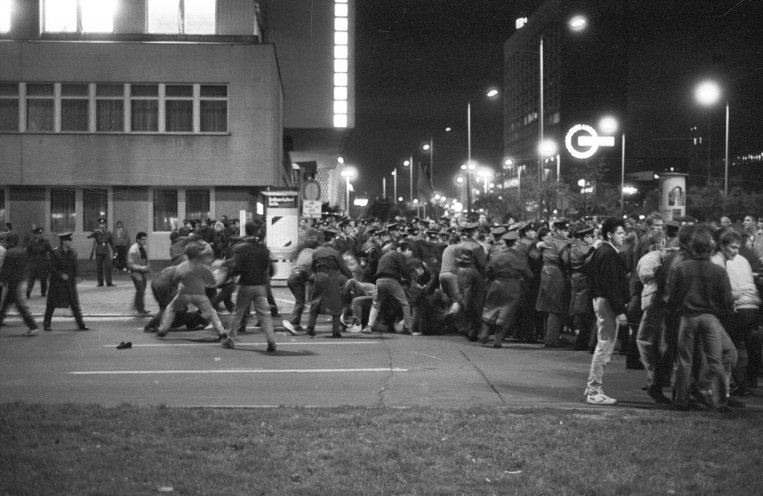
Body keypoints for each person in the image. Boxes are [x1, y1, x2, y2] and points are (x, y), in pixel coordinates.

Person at [668, 226, 735, 411]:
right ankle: (721, 402)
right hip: (710, 317)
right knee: (715, 361)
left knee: (684, 360)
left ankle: (681, 400)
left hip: (688, 317)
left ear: (692, 246)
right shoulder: (718, 272)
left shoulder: (682, 268)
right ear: (710, 248)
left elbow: (673, 295)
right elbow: (727, 300)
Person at [585, 218, 629, 405]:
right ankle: (594, 390)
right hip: (607, 303)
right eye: (620, 233)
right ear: (610, 234)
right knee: (605, 346)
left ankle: (593, 387)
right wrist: (620, 310)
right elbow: (611, 284)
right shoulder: (608, 253)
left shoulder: (600, 250)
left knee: (604, 345)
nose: (623, 236)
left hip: (601, 301)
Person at [711, 229, 761, 396]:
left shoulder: (724, 261)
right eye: (733, 247)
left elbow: (724, 291)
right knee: (738, 348)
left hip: (737, 308)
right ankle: (739, 384)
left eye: (737, 247)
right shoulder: (733, 260)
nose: (736, 251)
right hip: (748, 306)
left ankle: (730, 387)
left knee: (731, 350)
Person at [222, 222, 277, 351]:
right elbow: (272, 270)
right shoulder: (264, 249)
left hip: (246, 284)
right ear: (257, 231)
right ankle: (271, 341)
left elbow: (236, 267)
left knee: (238, 312)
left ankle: (230, 339)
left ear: (246, 231)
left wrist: (230, 275)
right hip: (260, 285)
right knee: (264, 314)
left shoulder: (241, 248)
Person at [156, 242, 226, 339]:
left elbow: (176, 280)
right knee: (211, 312)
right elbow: (212, 281)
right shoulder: (203, 267)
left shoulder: (181, 267)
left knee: (171, 308)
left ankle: (163, 329)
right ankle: (221, 332)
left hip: (183, 294)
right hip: (200, 295)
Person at [478, 231, 533, 347]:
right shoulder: (519, 256)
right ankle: (498, 339)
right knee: (507, 311)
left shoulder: (496, 255)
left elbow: (488, 270)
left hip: (496, 284)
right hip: (513, 285)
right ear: (515, 242)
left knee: (490, 307)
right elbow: (528, 274)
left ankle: (484, 333)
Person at [363, 240, 417, 335]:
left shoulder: (385, 256)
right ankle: (408, 328)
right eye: (409, 250)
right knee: (405, 303)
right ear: (401, 249)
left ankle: (369, 326)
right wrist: (409, 281)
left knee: (376, 303)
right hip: (390, 281)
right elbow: (404, 270)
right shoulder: (398, 255)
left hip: (379, 281)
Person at [307, 229, 353, 337]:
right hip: (331, 279)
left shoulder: (316, 252)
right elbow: (344, 269)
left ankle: (310, 327)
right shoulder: (336, 254)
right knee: (336, 304)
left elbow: (312, 267)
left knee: (315, 303)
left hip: (318, 277)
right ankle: (335, 331)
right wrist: (352, 278)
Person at [43, 233, 88, 331]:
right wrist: (60, 274)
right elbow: (51, 267)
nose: (69, 242)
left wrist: (76, 276)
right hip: (57, 283)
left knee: (74, 303)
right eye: (68, 240)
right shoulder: (55, 253)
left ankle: (81, 324)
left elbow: (74, 266)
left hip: (69, 282)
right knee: (51, 304)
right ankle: (46, 324)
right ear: (63, 241)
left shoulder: (72, 252)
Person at [0, 231, 40, 335]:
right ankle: (33, 327)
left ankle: (33, 326)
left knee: (18, 305)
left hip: (11, 281)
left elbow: (5, 270)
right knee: (6, 304)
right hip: (19, 280)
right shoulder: (22, 251)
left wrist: (2, 279)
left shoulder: (10, 253)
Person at [127, 232, 151, 317]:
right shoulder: (133, 250)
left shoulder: (144, 248)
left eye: (145, 239)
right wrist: (142, 268)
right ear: (138, 240)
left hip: (142, 272)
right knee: (140, 290)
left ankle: (140, 308)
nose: (144, 241)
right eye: (143, 239)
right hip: (136, 273)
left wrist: (147, 267)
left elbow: (146, 259)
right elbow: (130, 264)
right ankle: (138, 309)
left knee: (141, 291)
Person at [26, 226, 52, 298]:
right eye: (38, 234)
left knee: (43, 278)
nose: (40, 235)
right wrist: (29, 260)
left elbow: (50, 250)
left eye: (41, 234)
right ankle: (28, 292)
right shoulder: (31, 241)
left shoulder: (45, 241)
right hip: (33, 262)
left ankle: (43, 292)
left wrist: (49, 259)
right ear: (35, 234)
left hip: (43, 262)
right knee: (31, 278)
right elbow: (28, 252)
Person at [88, 218, 115, 287]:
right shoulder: (96, 232)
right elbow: (89, 236)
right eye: (100, 224)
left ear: (105, 225)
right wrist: (95, 233)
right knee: (99, 267)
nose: (102, 225)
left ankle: (109, 282)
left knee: (108, 266)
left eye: (103, 224)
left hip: (106, 251)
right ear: (99, 225)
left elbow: (111, 243)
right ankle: (100, 282)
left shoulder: (108, 233)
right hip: (99, 251)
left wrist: (115, 251)